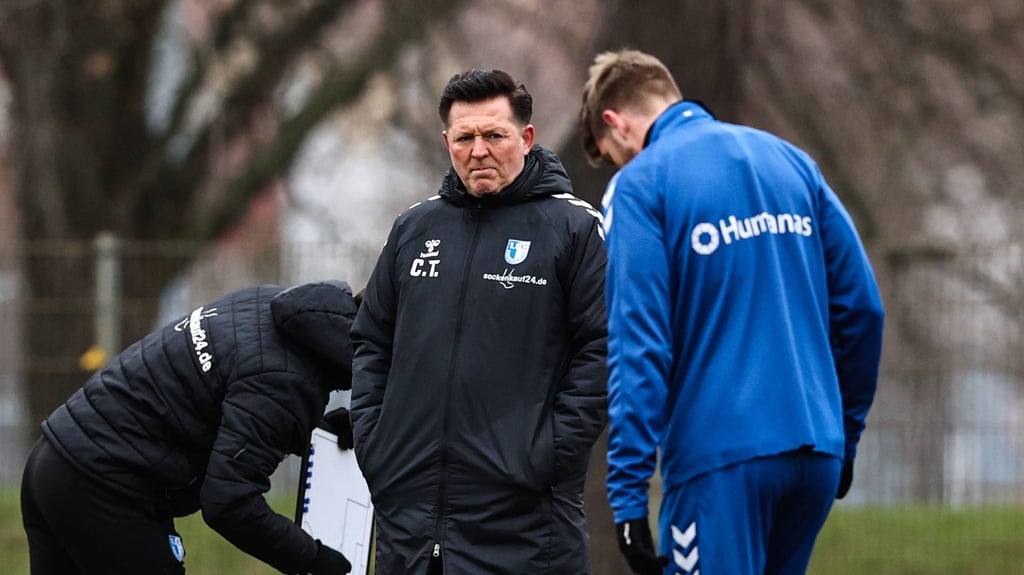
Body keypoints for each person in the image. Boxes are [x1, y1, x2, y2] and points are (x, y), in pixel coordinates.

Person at [578, 49, 885, 575]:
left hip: (718, 462)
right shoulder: (790, 161)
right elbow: (863, 310)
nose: (620, 167)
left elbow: (639, 343)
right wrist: (846, 436)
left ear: (616, 123)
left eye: (613, 156)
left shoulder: (640, 184)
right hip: (816, 450)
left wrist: (627, 494)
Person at [350, 68, 608, 574]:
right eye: (464, 138)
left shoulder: (574, 228)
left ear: (526, 138)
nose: (479, 151)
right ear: (447, 141)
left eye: (494, 135)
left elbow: (604, 349)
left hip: (525, 530)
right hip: (411, 529)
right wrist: (376, 444)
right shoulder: (413, 228)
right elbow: (371, 339)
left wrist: (546, 454)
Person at [21, 281, 359, 575]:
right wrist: (312, 558)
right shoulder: (286, 385)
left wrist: (316, 431)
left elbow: (231, 399)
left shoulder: (277, 305)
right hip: (105, 488)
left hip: (54, 458)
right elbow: (230, 503)